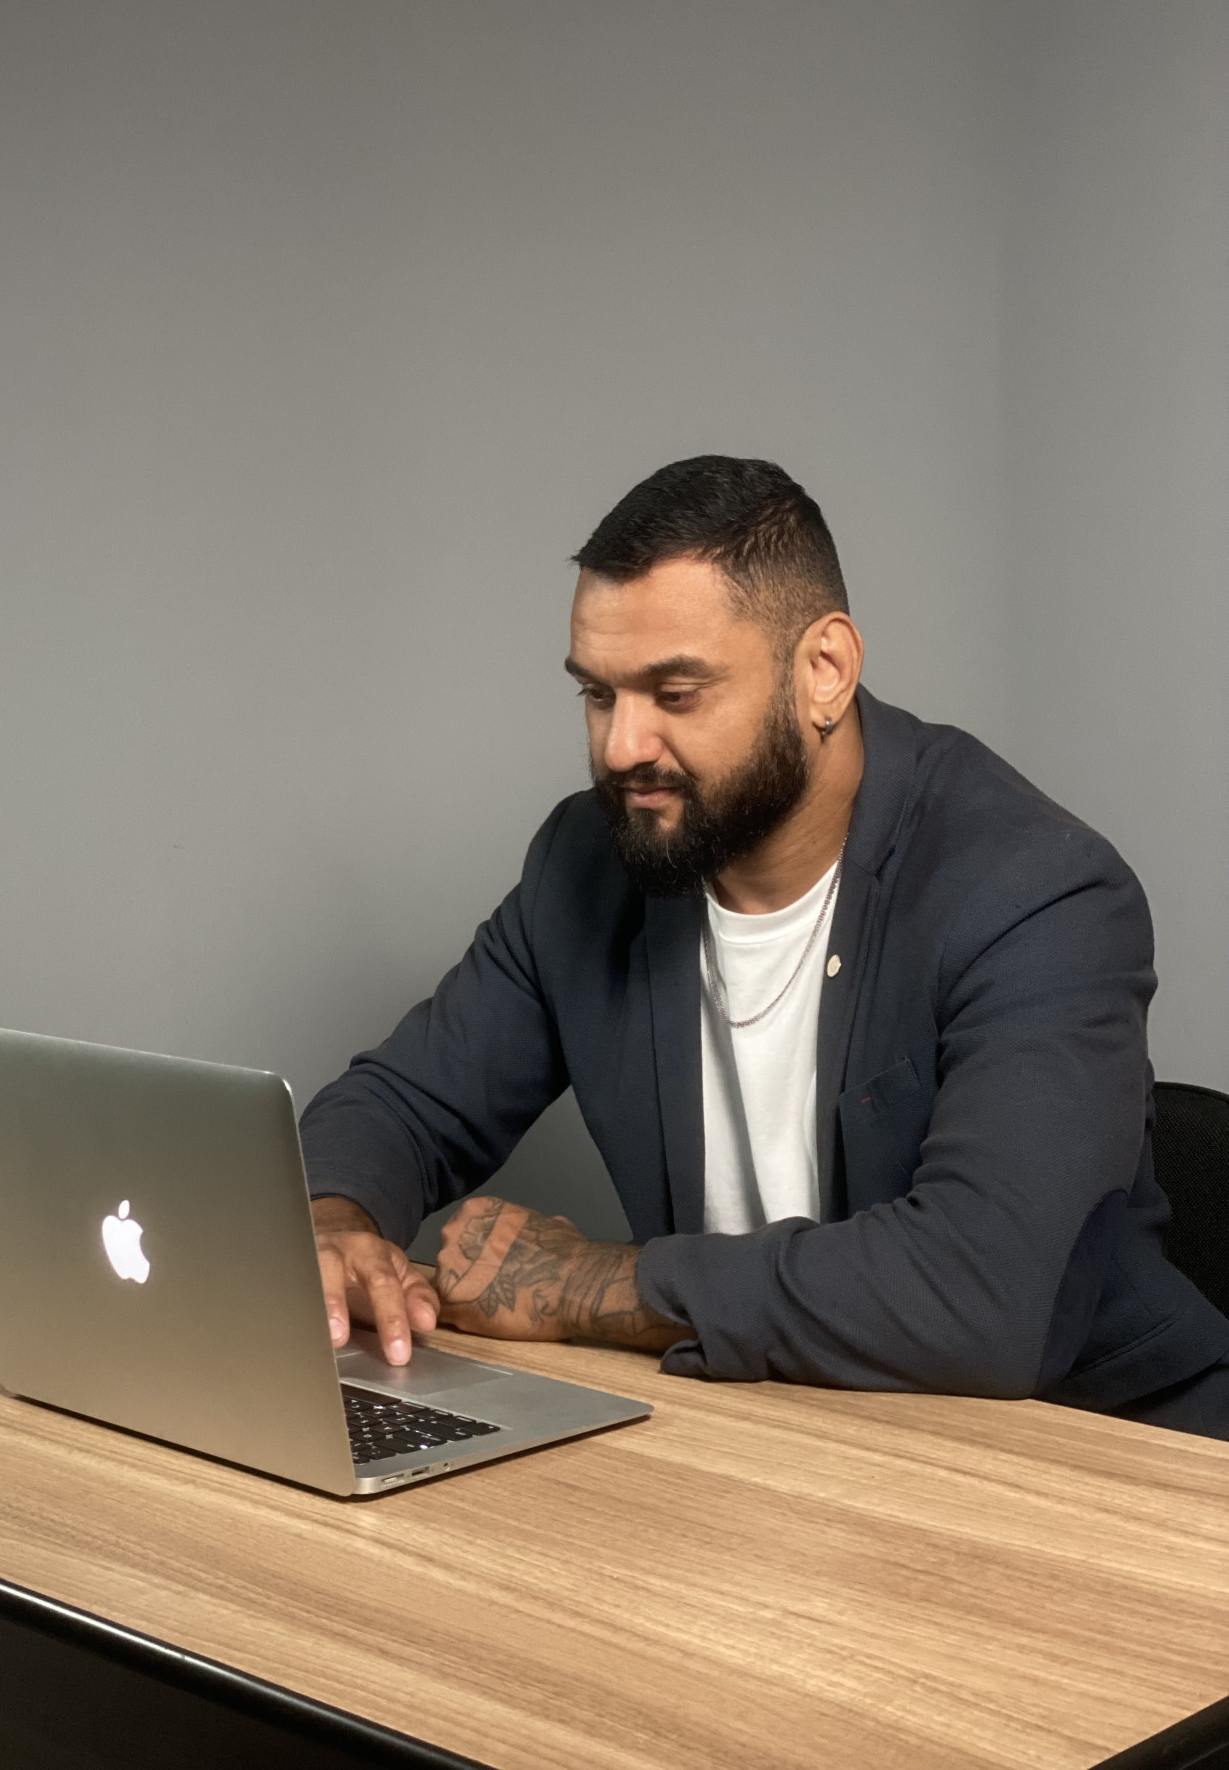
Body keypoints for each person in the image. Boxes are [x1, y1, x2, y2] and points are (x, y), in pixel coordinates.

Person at [301, 456, 1229, 1436]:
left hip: (1106, 1468)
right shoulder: (589, 865)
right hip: (779, 1451)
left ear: (823, 671)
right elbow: (405, 1103)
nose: (621, 747)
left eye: (675, 691)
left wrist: (596, 1286)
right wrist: (332, 1226)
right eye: (598, 695)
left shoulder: (1037, 892)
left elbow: (981, 1297)